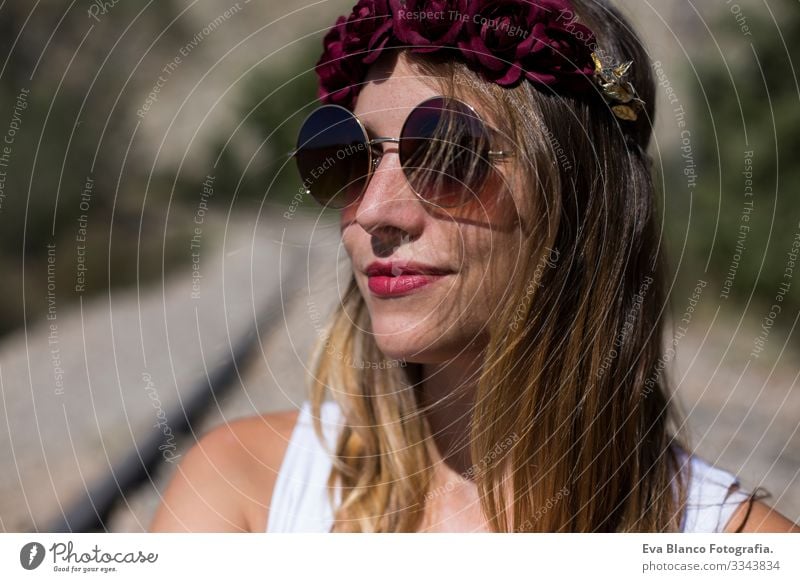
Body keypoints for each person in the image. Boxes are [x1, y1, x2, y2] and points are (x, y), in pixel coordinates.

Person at [150, 0, 799, 533]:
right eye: (350, 155)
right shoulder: (239, 496)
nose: (374, 211)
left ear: (580, 200)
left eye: (447, 154)